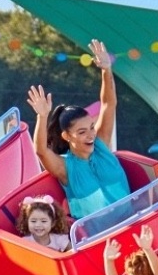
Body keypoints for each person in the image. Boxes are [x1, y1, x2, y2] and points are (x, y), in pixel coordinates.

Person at [27, 39, 128, 219]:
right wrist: (42, 117)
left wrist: (106, 70)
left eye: (91, 127)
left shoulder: (101, 144)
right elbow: (41, 150)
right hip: (99, 240)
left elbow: (108, 104)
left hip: (133, 225)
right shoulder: (65, 167)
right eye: (82, 132)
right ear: (66, 136)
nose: (90, 135)